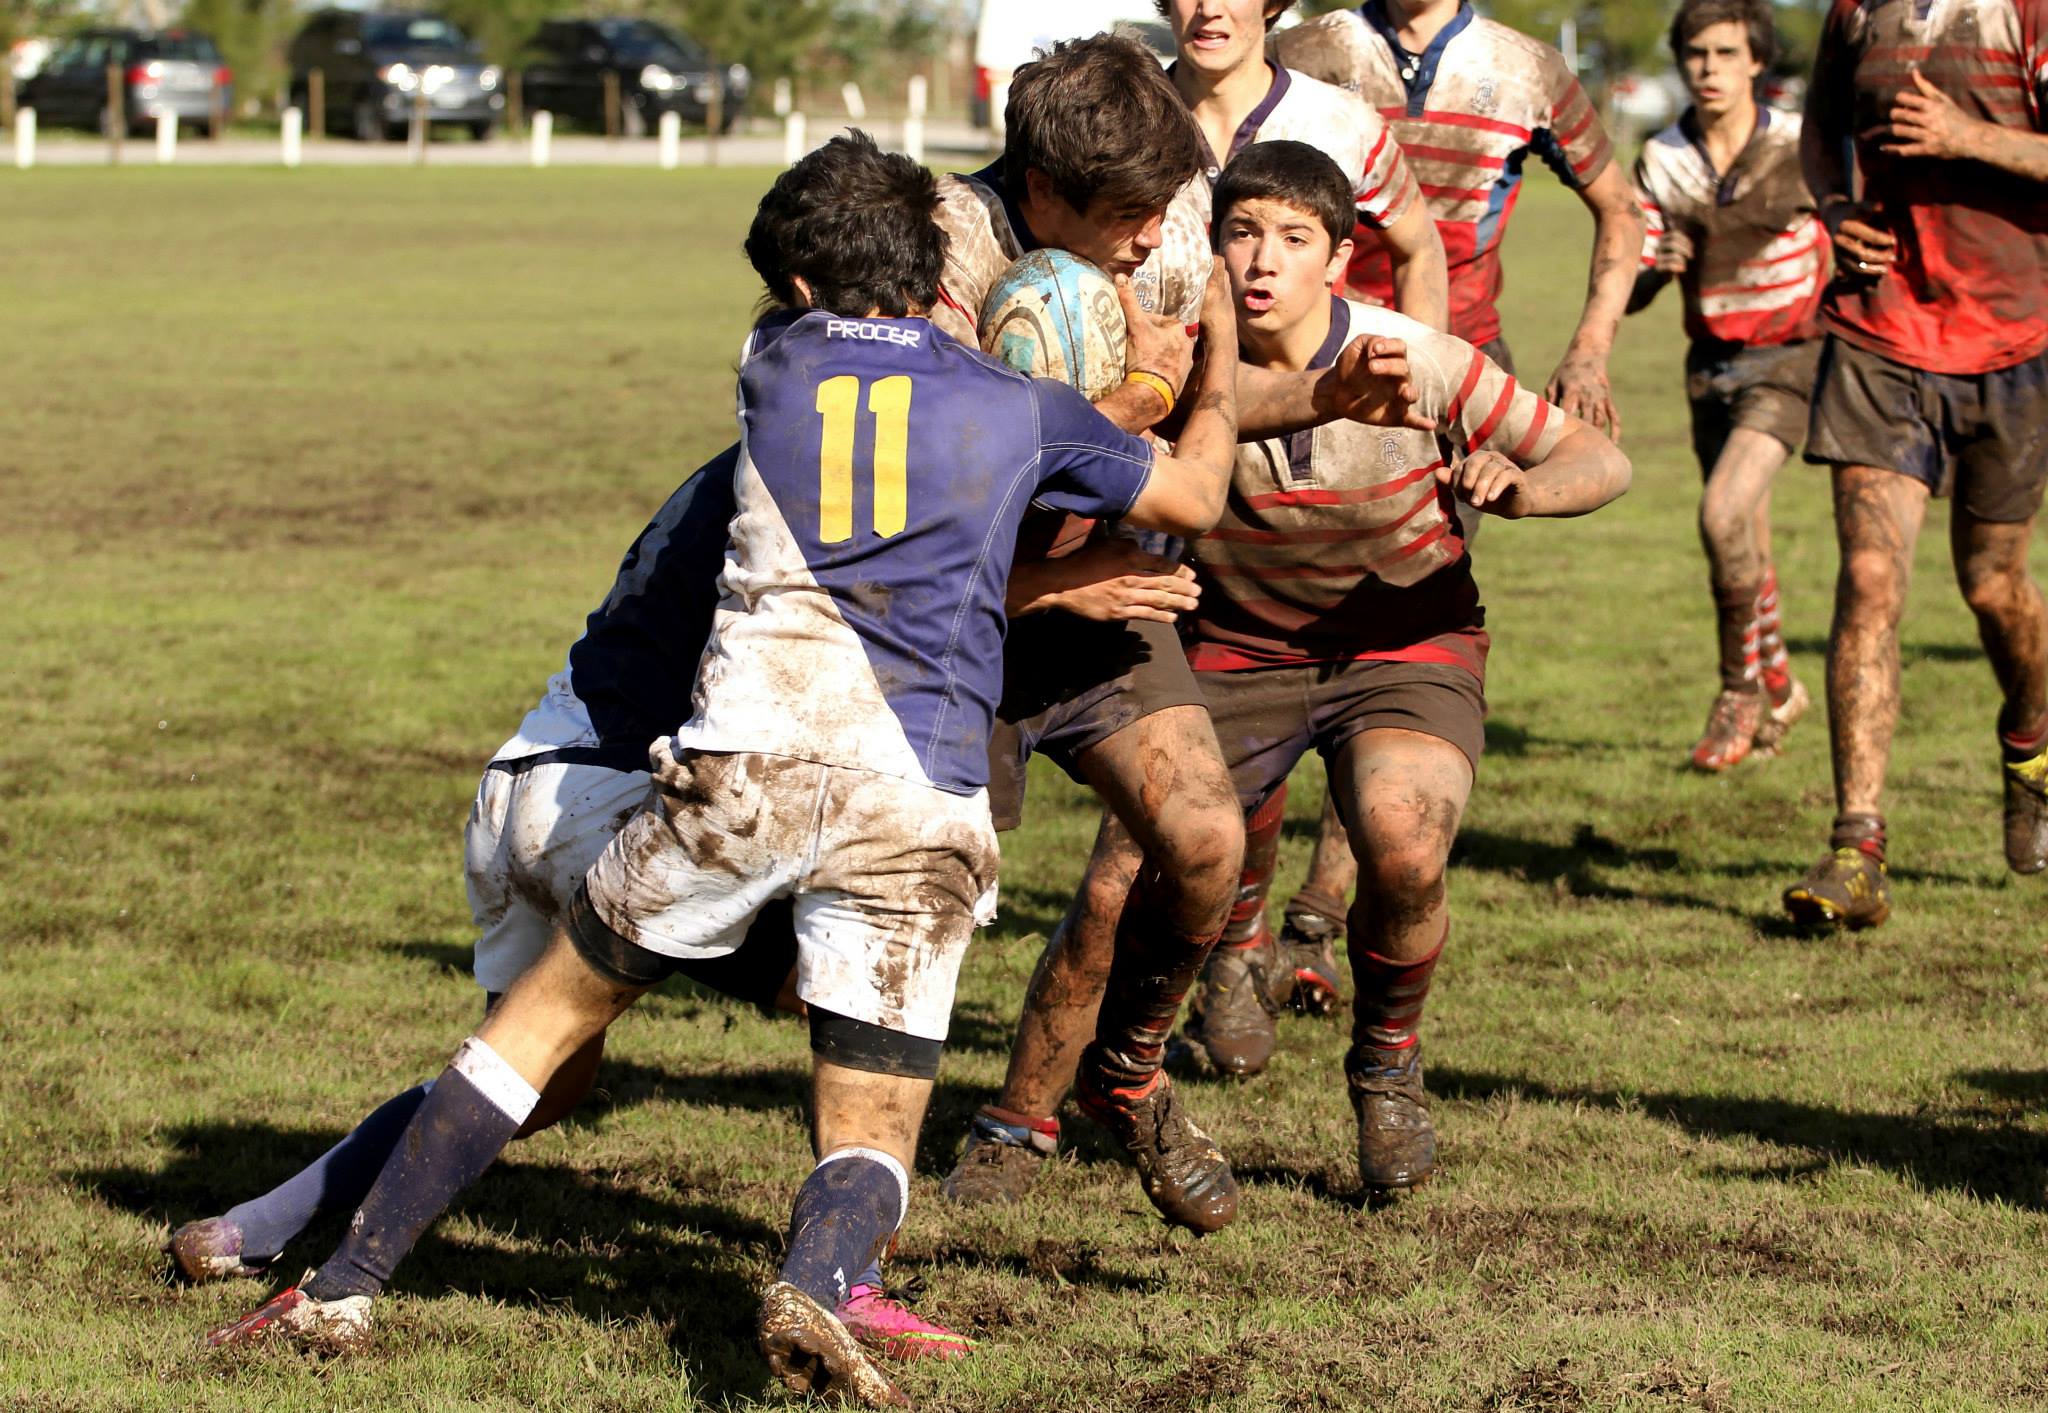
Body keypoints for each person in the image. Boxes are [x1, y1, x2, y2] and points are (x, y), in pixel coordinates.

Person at [203, 132, 1245, 1411]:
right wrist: (1198, 368)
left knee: (539, 1025)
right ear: (936, 274)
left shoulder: (772, 361)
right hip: (919, 798)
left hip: (744, 768)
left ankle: (344, 1286)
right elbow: (1191, 493)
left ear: (799, 294)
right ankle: (820, 1279)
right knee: (872, 1114)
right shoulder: (1016, 410)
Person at [164, 452, 979, 1362]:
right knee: (841, 1000)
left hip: (526, 781)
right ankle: (847, 1284)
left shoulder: (759, 446)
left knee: (530, 1076)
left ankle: (246, 1228)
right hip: (623, 796)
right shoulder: (825, 476)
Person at [1186, 140, 1627, 1190]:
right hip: (1234, 642)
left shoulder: (1411, 356)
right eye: (1240, 232)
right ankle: (1233, 953)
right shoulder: (1179, 359)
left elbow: (1597, 459)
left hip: (1401, 639)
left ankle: (1385, 1064)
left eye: (1292, 239)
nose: (1261, 260)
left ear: (1336, 260)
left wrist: (1524, 489)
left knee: (1404, 845)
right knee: (1186, 849)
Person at [1252, 0, 1646, 1029]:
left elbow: (1621, 203)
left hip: (1451, 382)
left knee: (1385, 627)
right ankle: (1238, 922)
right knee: (1249, 621)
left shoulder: (1522, 68)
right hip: (1288, 367)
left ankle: (1316, 913)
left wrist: (1592, 344)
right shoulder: (1310, 51)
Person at [1781, 0, 2048, 926]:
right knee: (1869, 576)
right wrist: (1838, 209)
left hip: (2017, 341)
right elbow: (1818, 134)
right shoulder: (1856, 9)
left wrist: (1970, 136)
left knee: (1994, 588)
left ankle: (2032, 741)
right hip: (1880, 333)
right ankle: (1857, 848)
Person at [1627, 0, 1824, 771]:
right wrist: (1655, 265)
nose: (1708, 68)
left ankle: (1739, 690)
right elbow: (1632, 279)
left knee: (1723, 512)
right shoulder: (1664, 156)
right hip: (1708, 367)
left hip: (1789, 360)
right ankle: (1780, 685)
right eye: (1696, 54)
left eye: (1724, 53)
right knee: (1744, 537)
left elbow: (1856, 233)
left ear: (1756, 63)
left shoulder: (1801, 144)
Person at [1164, 0, 1449, 332]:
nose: (1209, 8)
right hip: (1162, 382)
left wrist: (1421, 365)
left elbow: (1420, 250)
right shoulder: (1120, 118)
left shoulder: (1343, 122)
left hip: (1311, 382)